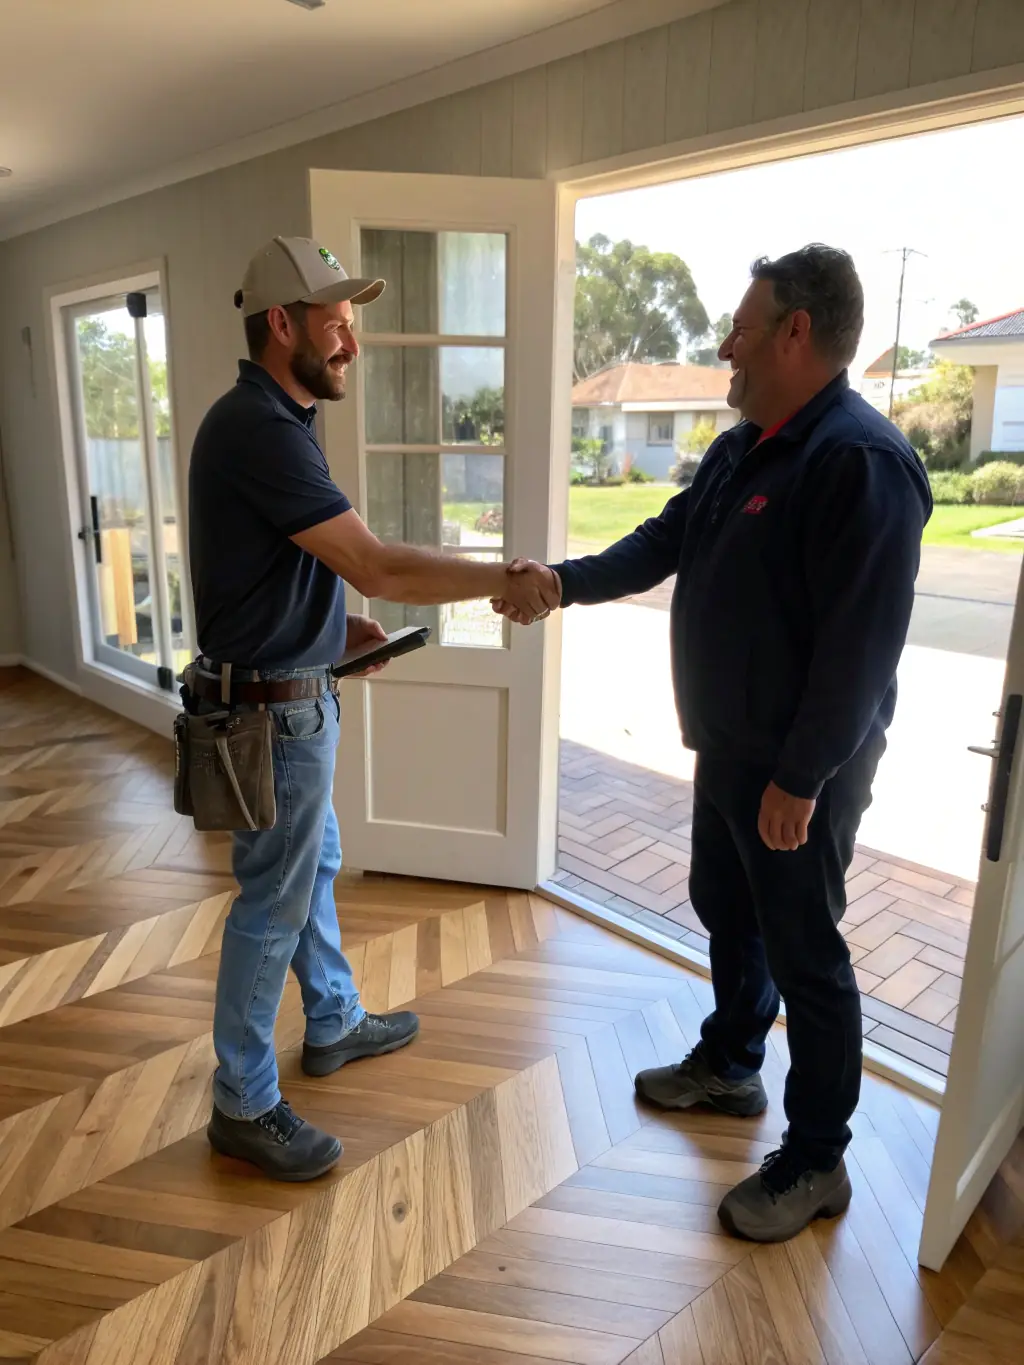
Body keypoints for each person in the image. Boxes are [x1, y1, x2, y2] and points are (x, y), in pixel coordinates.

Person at [494, 245, 932, 1243]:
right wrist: (558, 580)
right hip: (730, 746)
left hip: (796, 770)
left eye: (740, 327)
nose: (723, 346)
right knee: (725, 907)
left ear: (796, 332)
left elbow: (858, 652)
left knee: (806, 950)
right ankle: (732, 1064)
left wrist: (800, 778)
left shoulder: (860, 462)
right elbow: (663, 539)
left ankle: (817, 1158)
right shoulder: (747, 445)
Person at [188, 235, 557, 1181]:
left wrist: (337, 623)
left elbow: (280, 563)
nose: (352, 339)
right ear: (282, 324)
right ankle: (242, 1101)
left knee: (314, 870)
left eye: (352, 322)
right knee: (273, 898)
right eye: (335, 321)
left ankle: (336, 1019)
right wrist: (500, 579)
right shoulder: (259, 427)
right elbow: (380, 557)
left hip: (290, 692)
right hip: (273, 715)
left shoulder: (276, 417)